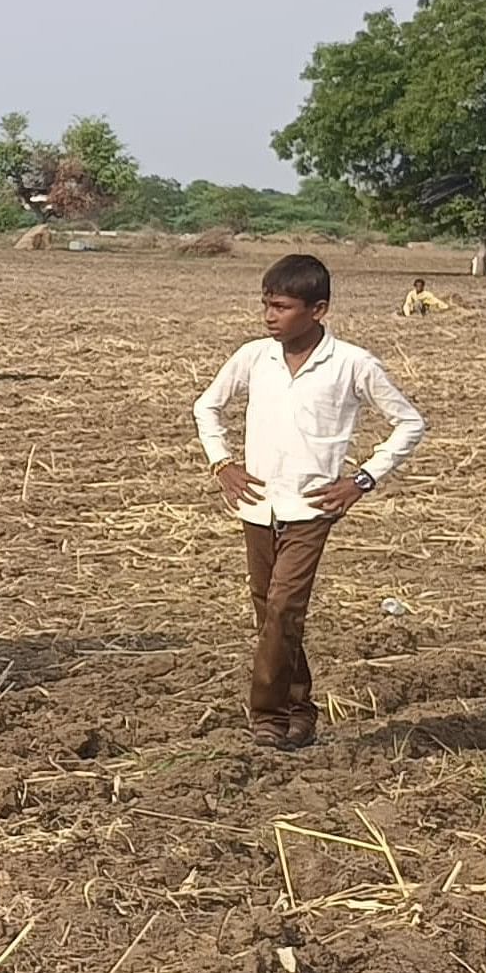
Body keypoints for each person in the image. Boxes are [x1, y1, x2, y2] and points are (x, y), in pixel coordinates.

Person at [191, 254, 429, 750]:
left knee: (282, 608)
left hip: (312, 508)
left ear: (317, 309)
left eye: (281, 306)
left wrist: (362, 480)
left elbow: (409, 422)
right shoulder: (254, 357)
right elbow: (207, 405)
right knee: (270, 611)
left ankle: (267, 715)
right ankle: (300, 708)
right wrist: (222, 464)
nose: (269, 316)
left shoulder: (352, 364)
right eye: (266, 304)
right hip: (257, 504)